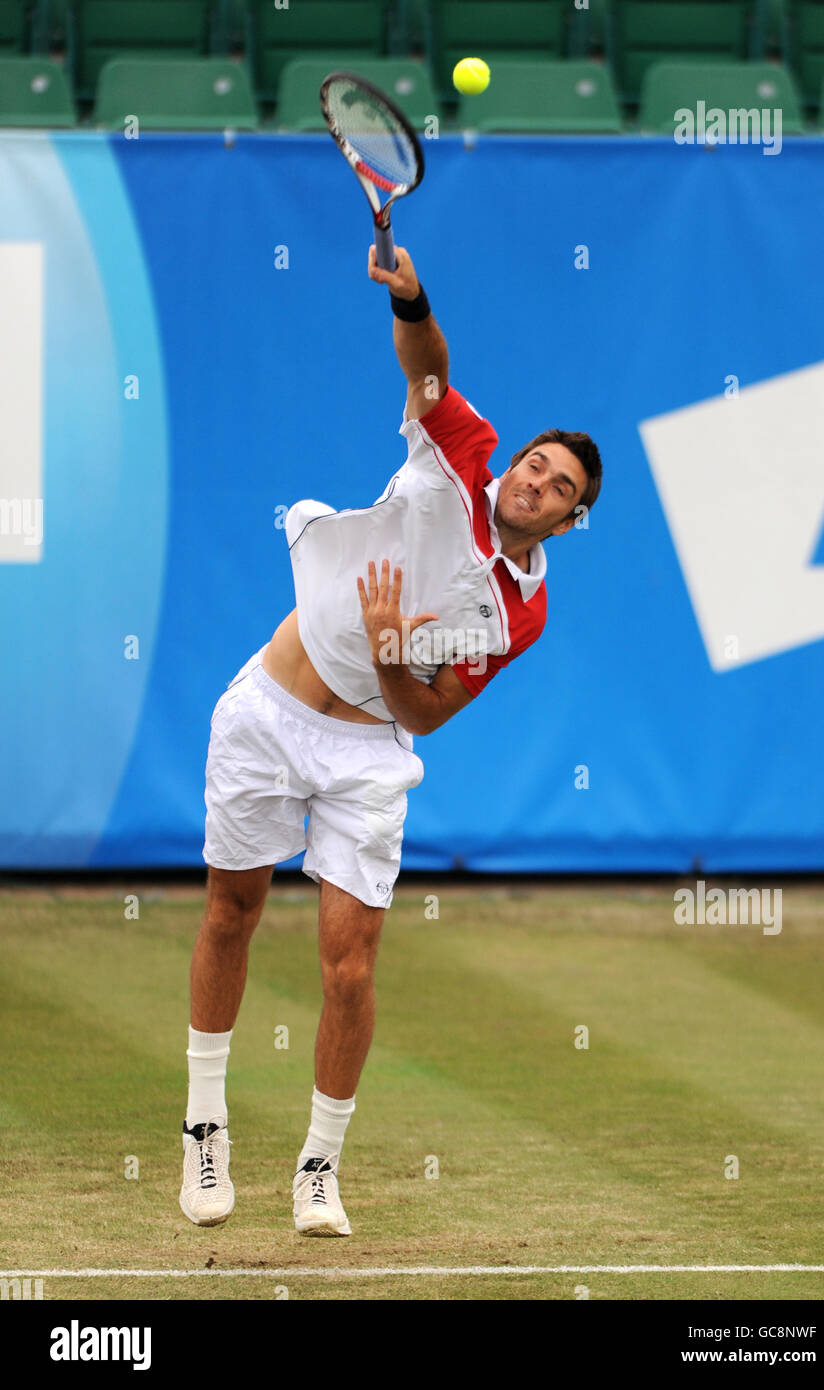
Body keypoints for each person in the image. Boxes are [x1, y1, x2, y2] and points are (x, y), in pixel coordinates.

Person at [180, 246, 603, 1236]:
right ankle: (204, 1122)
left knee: (349, 968)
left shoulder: (517, 611)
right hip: (268, 712)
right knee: (231, 910)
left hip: (369, 753)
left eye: (556, 485)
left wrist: (383, 654)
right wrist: (410, 294)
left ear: (571, 518)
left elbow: (421, 713)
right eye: (533, 462)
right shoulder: (457, 449)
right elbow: (426, 361)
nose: (533, 480)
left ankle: (318, 1166)